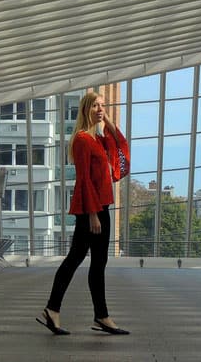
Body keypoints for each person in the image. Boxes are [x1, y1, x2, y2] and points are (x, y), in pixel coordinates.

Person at [36, 92, 131, 336]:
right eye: (96, 106)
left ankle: (98, 315)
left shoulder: (99, 139)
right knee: (76, 259)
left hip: (102, 208)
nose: (100, 109)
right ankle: (57, 310)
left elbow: (121, 148)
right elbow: (83, 180)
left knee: (97, 263)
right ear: (85, 109)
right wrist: (92, 214)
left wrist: (107, 120)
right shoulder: (81, 140)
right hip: (91, 211)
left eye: (103, 105)